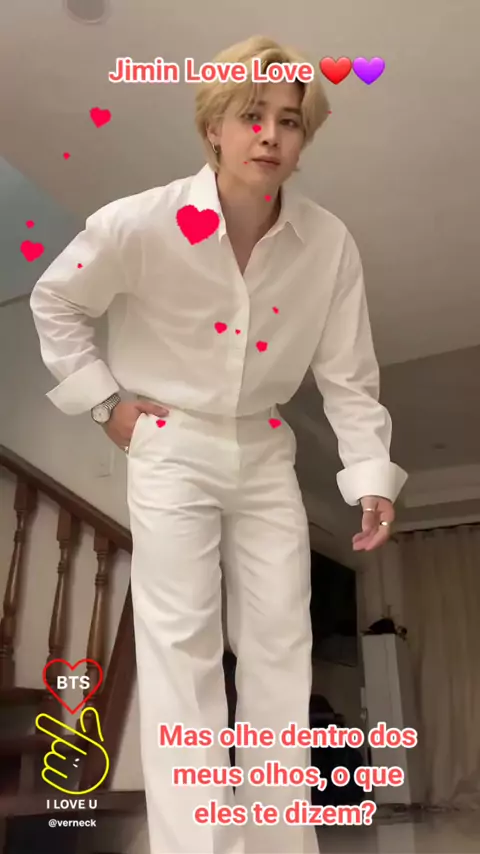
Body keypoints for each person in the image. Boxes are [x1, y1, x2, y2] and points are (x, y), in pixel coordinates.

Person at [29, 34, 408, 854]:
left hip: (266, 450)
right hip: (168, 444)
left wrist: (368, 474)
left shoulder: (328, 243)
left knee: (283, 647)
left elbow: (347, 374)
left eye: (289, 121)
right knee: (183, 651)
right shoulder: (141, 221)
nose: (270, 135)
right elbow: (55, 301)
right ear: (214, 128)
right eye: (251, 115)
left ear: (305, 138)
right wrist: (105, 405)